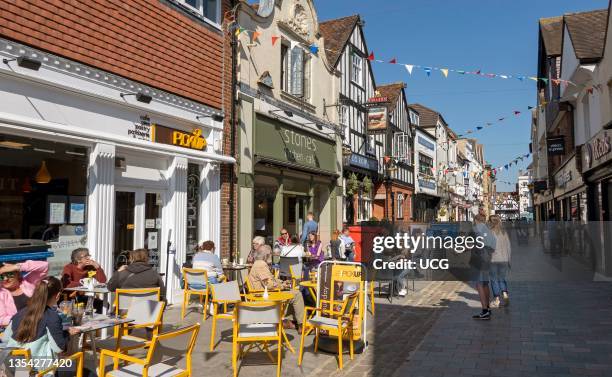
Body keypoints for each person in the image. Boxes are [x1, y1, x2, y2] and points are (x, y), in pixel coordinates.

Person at [4, 277, 80, 368]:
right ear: (58, 295)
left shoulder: (20, 313)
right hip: (38, 370)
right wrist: (67, 334)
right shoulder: (52, 316)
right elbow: (59, 348)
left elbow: (5, 339)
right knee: (80, 367)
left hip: (14, 367)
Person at [247, 253, 305, 332]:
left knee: (293, 292)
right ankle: (301, 325)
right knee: (296, 294)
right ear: (266, 255)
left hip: (265, 294)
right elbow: (269, 285)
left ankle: (289, 321)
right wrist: (282, 286)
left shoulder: (258, 263)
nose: (272, 255)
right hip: (265, 296)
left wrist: (282, 282)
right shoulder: (261, 265)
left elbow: (271, 279)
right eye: (270, 253)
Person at [0, 260, 48, 327]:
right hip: (20, 330)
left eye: (9, 274)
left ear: (18, 274)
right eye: (1, 276)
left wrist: (17, 266)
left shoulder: (28, 282)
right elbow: (1, 319)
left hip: (41, 323)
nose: (5, 279)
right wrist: (24, 319)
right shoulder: (1, 294)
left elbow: (45, 266)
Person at [471, 214, 496, 320]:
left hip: (480, 260)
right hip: (487, 259)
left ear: (476, 220)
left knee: (479, 284)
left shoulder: (478, 229)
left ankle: (485, 310)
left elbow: (476, 244)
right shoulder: (488, 230)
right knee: (485, 284)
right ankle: (488, 308)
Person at [488, 215, 511, 308]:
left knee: (494, 280)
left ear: (491, 222)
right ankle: (505, 293)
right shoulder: (504, 232)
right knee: (502, 278)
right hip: (504, 259)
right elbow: (509, 247)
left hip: (493, 259)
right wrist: (509, 260)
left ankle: (497, 299)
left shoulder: (489, 232)